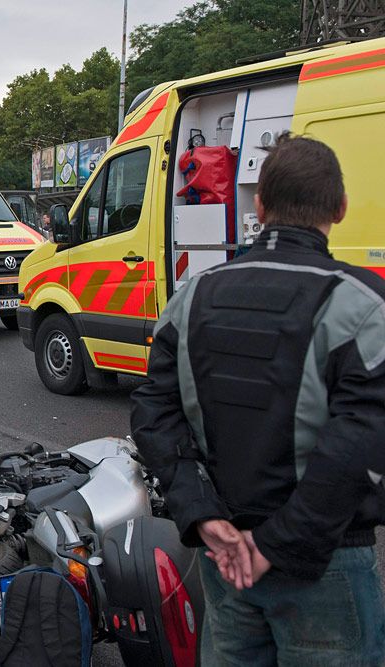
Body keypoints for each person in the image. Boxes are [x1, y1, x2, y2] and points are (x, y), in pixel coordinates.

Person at [130, 135, 385, 665]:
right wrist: (274, 545)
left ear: (260, 207)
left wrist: (201, 516)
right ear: (339, 208)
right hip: (325, 563)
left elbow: (154, 411)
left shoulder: (193, 295)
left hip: (224, 555)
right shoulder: (362, 304)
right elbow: (359, 446)